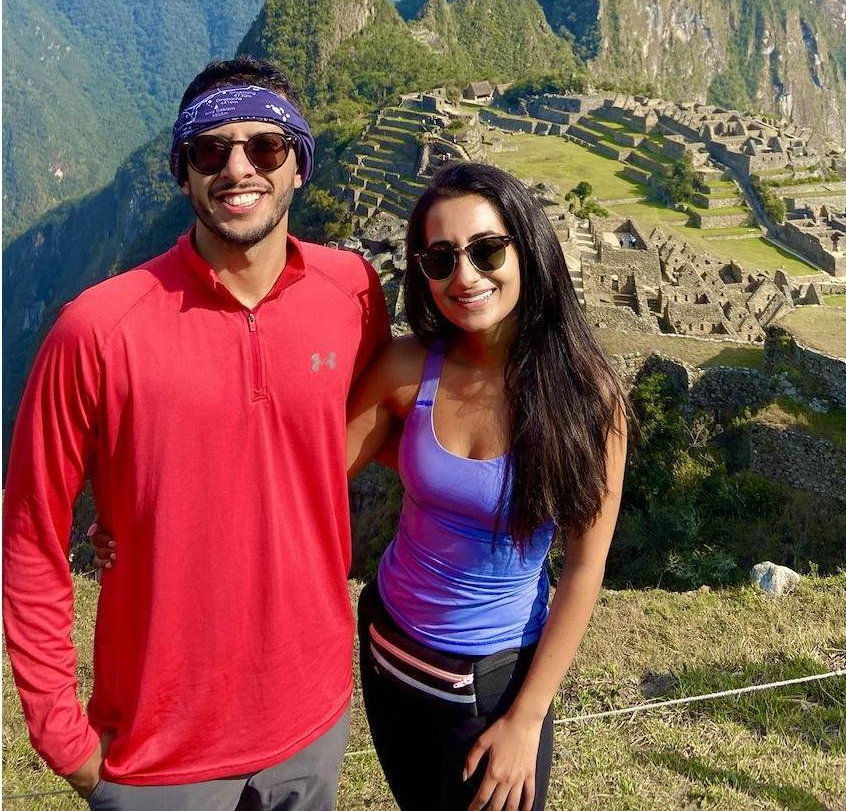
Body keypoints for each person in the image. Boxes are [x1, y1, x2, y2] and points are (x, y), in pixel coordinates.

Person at [2, 57, 390, 809]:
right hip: (156, 752)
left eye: (266, 148)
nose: (238, 169)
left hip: (311, 717)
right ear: (182, 172)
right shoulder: (98, 330)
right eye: (210, 151)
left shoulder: (352, 295)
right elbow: (28, 534)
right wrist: (64, 739)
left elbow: (362, 416)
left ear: (300, 164)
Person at [343, 161, 628, 811]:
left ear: (526, 248)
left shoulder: (586, 402)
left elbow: (585, 568)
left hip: (491, 678)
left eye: (486, 250)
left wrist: (527, 719)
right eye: (439, 260)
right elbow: (308, 475)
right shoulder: (408, 368)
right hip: (389, 651)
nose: (464, 276)